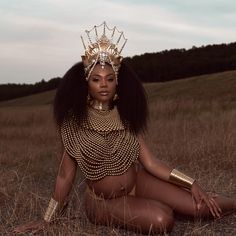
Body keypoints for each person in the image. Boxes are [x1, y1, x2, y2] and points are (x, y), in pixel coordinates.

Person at [14, 22, 235, 235]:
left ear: (117, 82)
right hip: (103, 202)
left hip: (138, 182)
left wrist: (192, 183)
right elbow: (64, 176)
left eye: (110, 79)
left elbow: (150, 163)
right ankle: (154, 206)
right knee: (162, 220)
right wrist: (47, 220)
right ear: (86, 83)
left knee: (200, 207)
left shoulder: (125, 115)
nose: (103, 84)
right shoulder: (74, 122)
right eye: (96, 79)